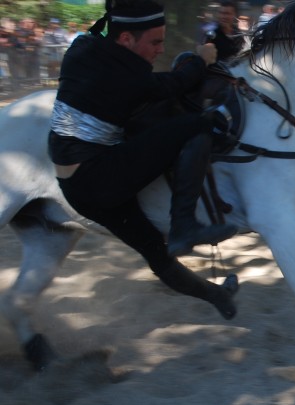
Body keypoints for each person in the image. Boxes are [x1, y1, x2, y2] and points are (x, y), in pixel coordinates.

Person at [48, 0, 239, 317]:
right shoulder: (120, 72)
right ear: (125, 40)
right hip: (99, 177)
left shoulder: (87, 48)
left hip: (77, 188)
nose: (159, 49)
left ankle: (217, 296)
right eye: (155, 42)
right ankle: (184, 225)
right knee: (199, 124)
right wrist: (199, 59)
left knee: (157, 254)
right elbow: (171, 85)